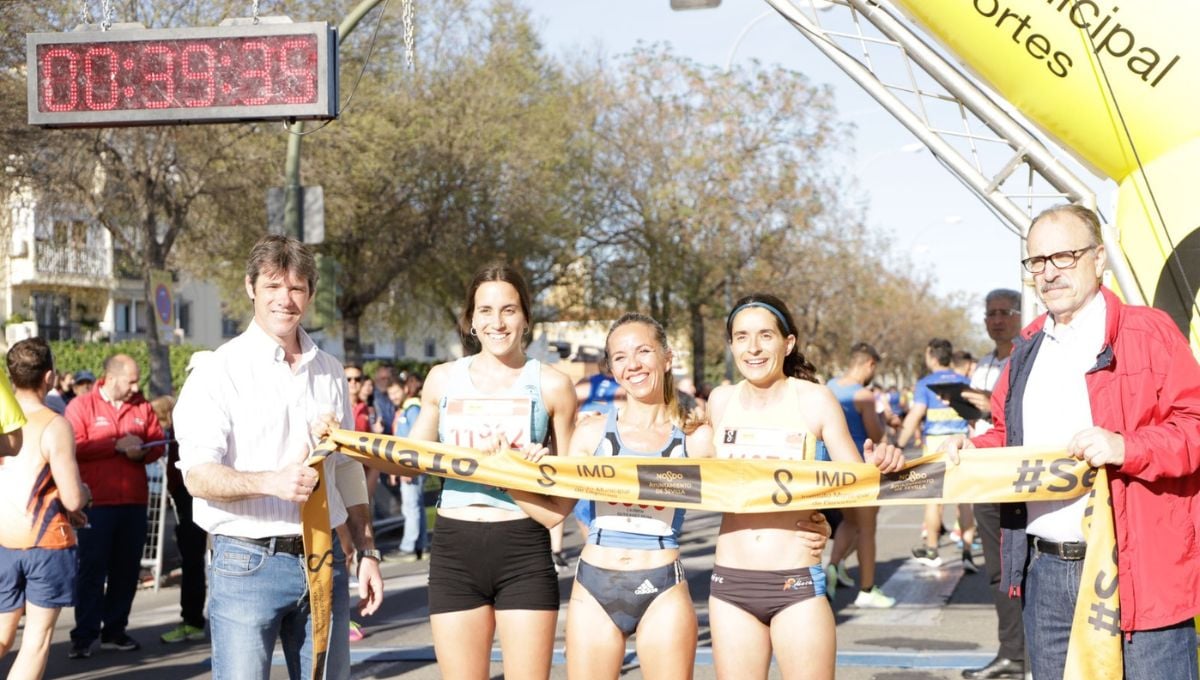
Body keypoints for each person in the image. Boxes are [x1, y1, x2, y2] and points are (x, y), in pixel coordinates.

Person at [945, 205, 1200, 680]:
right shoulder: (1027, 347)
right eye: (1037, 261)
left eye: (1063, 256)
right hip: (1045, 573)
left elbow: (1195, 426)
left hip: (1138, 568)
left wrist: (1128, 447)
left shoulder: (1150, 332)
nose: (1049, 272)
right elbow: (1006, 436)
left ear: (1098, 258)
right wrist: (970, 452)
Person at [174, 235, 383, 680]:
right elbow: (198, 475)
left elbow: (345, 467)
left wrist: (367, 550)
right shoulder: (217, 370)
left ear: (309, 293)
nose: (284, 300)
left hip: (325, 558)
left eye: (296, 288)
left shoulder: (328, 369)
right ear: (251, 288)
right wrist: (270, 482)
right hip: (246, 562)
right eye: (273, 286)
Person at [706, 294, 905, 680]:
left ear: (788, 343)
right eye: (742, 337)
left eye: (766, 335)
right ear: (731, 345)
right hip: (730, 583)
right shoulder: (719, 401)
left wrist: (884, 462)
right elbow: (681, 466)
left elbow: (855, 484)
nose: (753, 347)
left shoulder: (815, 399)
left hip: (795, 581)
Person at [406, 261, 576, 680]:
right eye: (485, 310)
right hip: (454, 551)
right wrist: (339, 438)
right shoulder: (442, 379)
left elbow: (559, 509)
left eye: (508, 310)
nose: (497, 322)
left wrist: (509, 474)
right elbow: (408, 461)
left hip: (523, 550)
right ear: (470, 320)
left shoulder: (553, 385)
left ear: (526, 318)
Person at [558, 314, 716, 679]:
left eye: (644, 351)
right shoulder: (591, 432)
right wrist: (508, 471)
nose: (633, 364)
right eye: (620, 356)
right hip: (594, 583)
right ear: (611, 368)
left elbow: (745, 495)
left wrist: (810, 522)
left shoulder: (695, 437)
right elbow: (553, 511)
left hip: (662, 585)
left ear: (667, 358)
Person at [65, 353, 165, 658]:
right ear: (111, 377)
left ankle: (115, 631)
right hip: (97, 503)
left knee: (126, 570)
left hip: (133, 502)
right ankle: (83, 636)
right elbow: (73, 446)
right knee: (92, 571)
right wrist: (114, 444)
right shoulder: (81, 406)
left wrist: (141, 453)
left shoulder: (142, 406)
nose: (136, 387)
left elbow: (158, 442)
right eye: (131, 380)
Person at [0, 338, 88, 678]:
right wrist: (84, 493)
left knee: (3, 635)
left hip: (5, 541)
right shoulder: (55, 424)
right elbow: (73, 499)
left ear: (11, 378)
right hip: (47, 544)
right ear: (49, 377)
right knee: (36, 639)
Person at [958, 288, 1024, 680]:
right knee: (997, 570)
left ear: (1019, 314)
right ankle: (1011, 654)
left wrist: (990, 404)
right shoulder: (982, 364)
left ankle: (1030, 654)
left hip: (1017, 471)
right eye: (990, 313)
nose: (996, 320)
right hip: (983, 469)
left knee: (1027, 568)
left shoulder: (1027, 355)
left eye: (1003, 312)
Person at [825, 342, 895, 608]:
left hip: (832, 468)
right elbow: (875, 434)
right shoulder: (863, 396)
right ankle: (867, 588)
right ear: (869, 364)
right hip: (860, 466)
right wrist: (881, 416)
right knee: (867, 529)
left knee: (849, 522)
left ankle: (833, 566)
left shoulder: (829, 387)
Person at [896, 338, 977, 572]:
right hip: (961, 446)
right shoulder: (964, 381)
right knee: (964, 501)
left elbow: (915, 415)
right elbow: (972, 417)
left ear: (931, 355)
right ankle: (967, 553)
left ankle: (932, 550)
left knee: (933, 501)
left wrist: (899, 445)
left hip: (934, 448)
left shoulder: (925, 384)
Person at [153, 394, 208, 645]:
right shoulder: (187, 408)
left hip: (206, 489)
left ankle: (195, 620)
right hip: (190, 492)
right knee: (193, 558)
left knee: (199, 559)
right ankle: (193, 620)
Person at [391, 373, 427, 562]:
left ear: (405, 389)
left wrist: (407, 466)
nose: (394, 396)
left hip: (410, 466)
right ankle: (421, 545)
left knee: (410, 507)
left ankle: (408, 547)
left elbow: (415, 439)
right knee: (417, 506)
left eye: (396, 391)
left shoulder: (412, 409)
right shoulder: (406, 409)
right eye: (391, 393)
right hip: (408, 465)